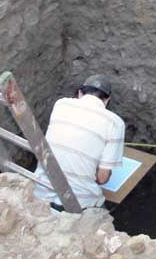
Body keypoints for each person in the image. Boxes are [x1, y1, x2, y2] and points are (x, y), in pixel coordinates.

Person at [34, 74, 125, 211]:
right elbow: (102, 179)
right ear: (107, 100)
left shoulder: (61, 104)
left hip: (40, 191)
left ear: (80, 93)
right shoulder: (115, 123)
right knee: (103, 216)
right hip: (79, 202)